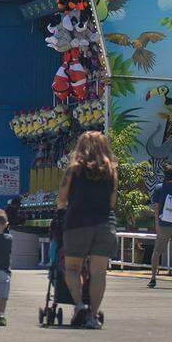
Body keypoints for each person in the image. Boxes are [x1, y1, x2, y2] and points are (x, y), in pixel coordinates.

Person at [56, 131, 116, 330]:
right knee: (98, 273)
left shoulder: (73, 169)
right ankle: (93, 316)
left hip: (77, 224)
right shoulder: (110, 170)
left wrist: (62, 208)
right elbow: (112, 202)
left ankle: (79, 304)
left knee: (72, 268)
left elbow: (62, 198)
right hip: (104, 225)